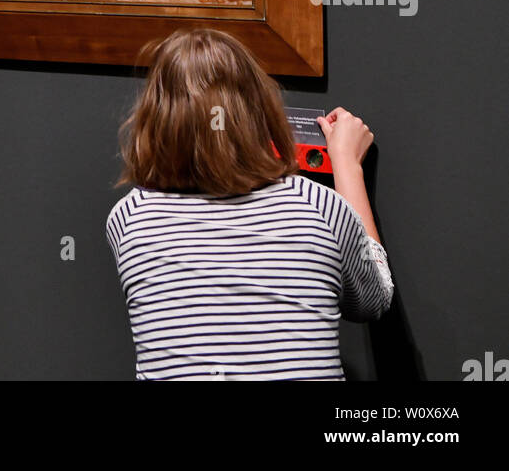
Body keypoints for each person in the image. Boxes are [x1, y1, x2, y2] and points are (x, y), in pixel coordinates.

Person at [106, 28, 394, 380]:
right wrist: (347, 165)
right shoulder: (318, 206)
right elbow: (374, 298)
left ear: (155, 119)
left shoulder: (130, 218)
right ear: (259, 111)